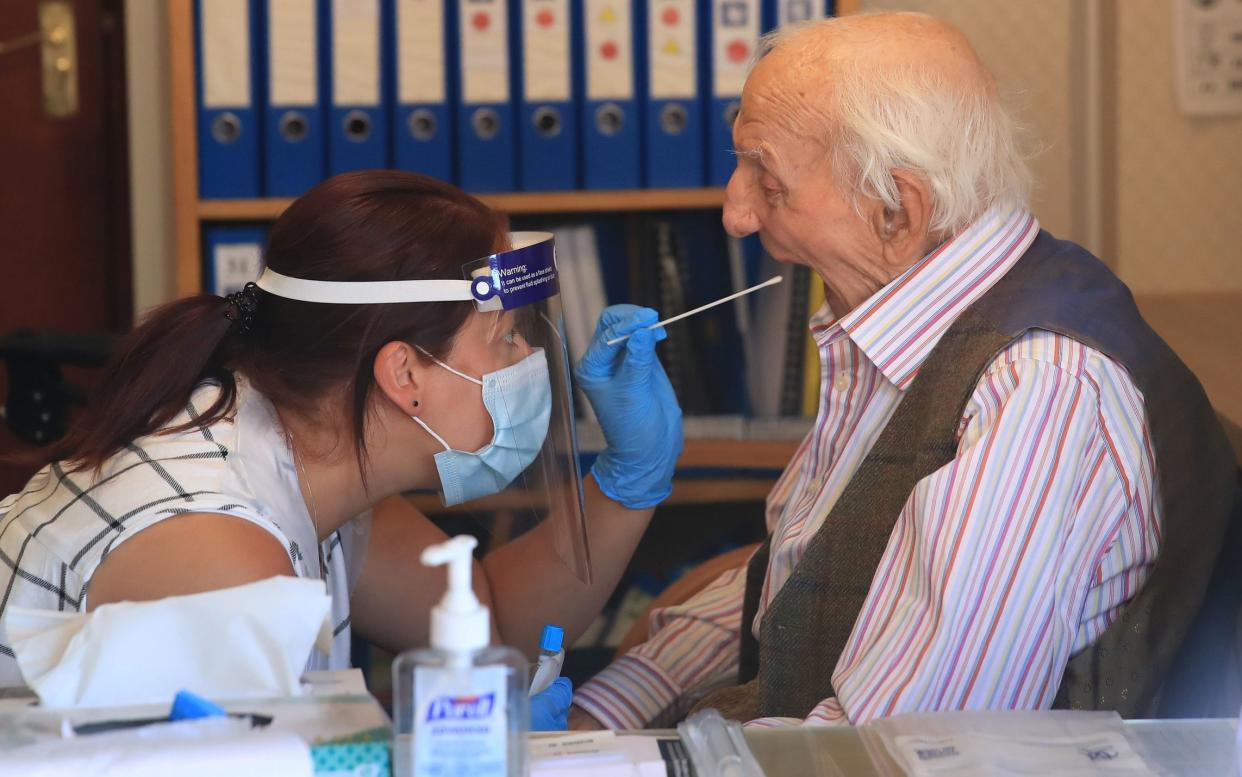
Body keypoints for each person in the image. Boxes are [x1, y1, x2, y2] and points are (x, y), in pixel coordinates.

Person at [570, 12, 1235, 729]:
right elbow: (797, 576)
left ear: (897, 209)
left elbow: (896, 749)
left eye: (768, 178)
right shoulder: (909, 320)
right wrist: (607, 706)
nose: (735, 213)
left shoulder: (1038, 389)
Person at [0, 171, 684, 730]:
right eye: (504, 336)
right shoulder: (216, 554)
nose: (529, 356)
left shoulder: (300, 454)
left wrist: (628, 481)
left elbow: (490, 623)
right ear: (404, 375)